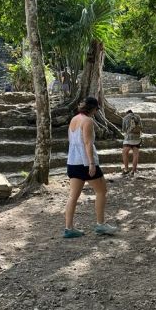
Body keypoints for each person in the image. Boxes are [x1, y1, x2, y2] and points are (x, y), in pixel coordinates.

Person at [64, 97, 117, 238]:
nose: (97, 111)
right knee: (102, 191)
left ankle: (68, 228)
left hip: (72, 161)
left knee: (73, 196)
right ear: (92, 108)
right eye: (97, 108)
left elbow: (71, 141)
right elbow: (87, 143)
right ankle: (101, 224)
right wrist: (92, 163)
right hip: (85, 162)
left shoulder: (74, 119)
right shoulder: (87, 121)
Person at [121, 110, 142, 175]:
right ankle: (134, 170)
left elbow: (123, 129)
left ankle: (126, 169)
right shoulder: (138, 117)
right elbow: (141, 127)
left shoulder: (125, 118)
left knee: (124, 153)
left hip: (128, 139)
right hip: (137, 139)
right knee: (135, 154)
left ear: (127, 113)